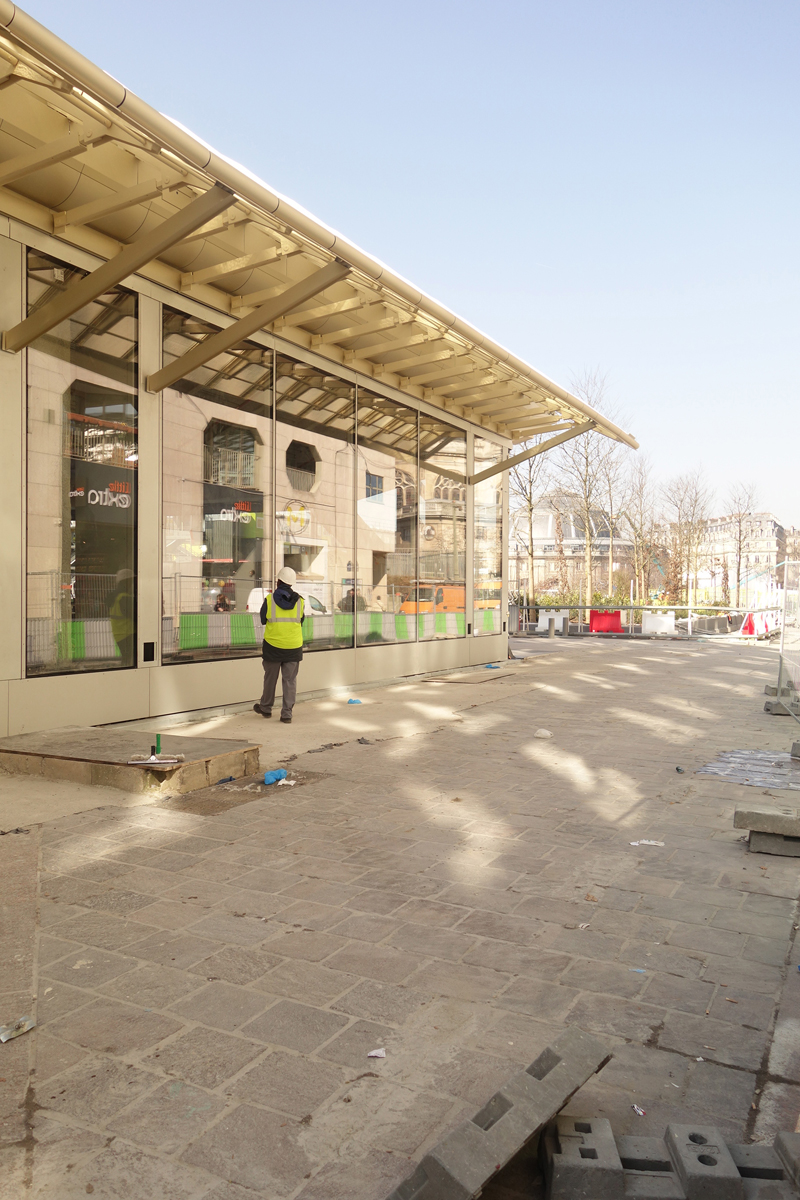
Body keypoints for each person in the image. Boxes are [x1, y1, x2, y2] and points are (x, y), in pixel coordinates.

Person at [253, 566, 304, 724]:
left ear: (278, 581)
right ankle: (286, 714)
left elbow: (262, 619)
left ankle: (266, 708)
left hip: (273, 646)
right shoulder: (300, 601)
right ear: (292, 583)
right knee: (290, 681)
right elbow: (301, 621)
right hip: (293, 646)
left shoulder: (269, 600)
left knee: (270, 678)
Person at [108, 568, 135, 667]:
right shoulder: (124, 599)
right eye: (132, 581)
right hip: (128, 634)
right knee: (131, 660)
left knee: (126, 659)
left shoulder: (115, 597)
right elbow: (136, 618)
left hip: (119, 634)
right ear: (126, 583)